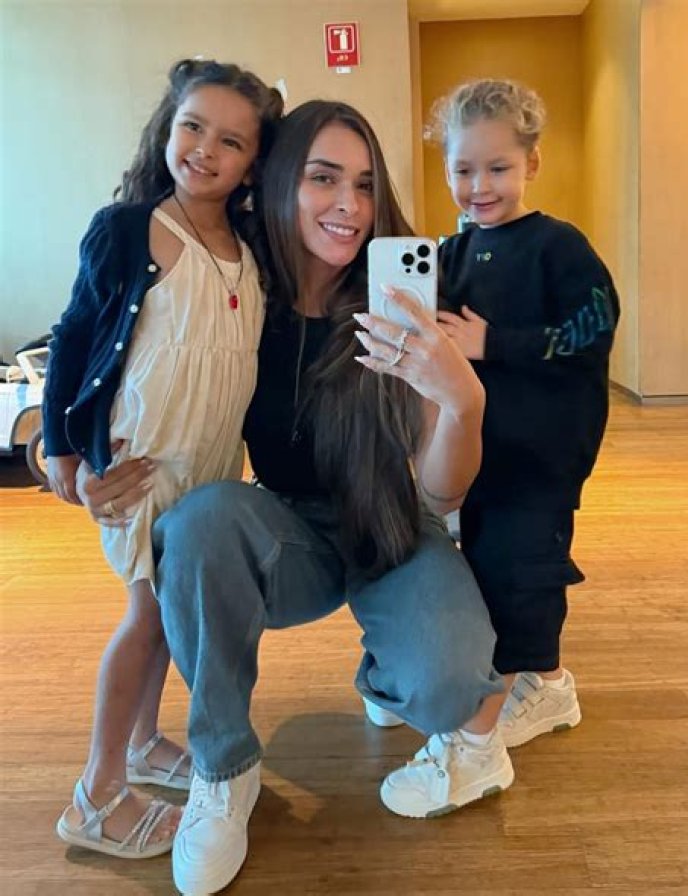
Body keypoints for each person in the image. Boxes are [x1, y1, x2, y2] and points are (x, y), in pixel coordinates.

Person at [76, 99, 515, 896]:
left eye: (365, 185)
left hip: (395, 525)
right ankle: (224, 769)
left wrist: (463, 402)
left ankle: (388, 668)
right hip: (287, 531)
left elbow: (442, 489)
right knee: (198, 525)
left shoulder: (402, 299)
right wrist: (69, 453)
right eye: (323, 178)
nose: (348, 205)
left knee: (449, 685)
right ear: (282, 182)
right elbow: (123, 347)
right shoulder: (247, 291)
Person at [42, 58, 283, 858]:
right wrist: (63, 445)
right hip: (143, 462)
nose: (205, 150)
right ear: (166, 129)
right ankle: (97, 792)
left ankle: (145, 742)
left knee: (173, 612)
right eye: (192, 127)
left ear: (254, 160)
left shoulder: (252, 248)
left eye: (231, 141)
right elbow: (75, 335)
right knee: (147, 619)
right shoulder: (129, 228)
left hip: (211, 467)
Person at [430, 78, 620, 750]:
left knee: (526, 570)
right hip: (480, 453)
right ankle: (526, 676)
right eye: (463, 169)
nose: (479, 185)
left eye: (498, 168)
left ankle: (548, 684)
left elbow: (593, 328)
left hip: (543, 455)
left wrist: (496, 343)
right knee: (487, 566)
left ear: (531, 163)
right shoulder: (451, 253)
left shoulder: (556, 246)